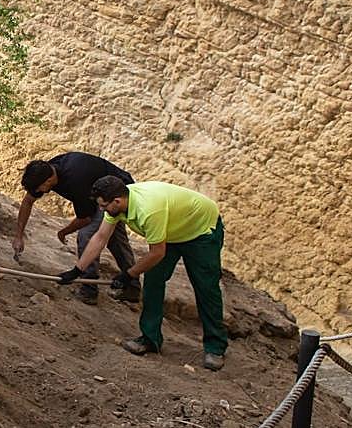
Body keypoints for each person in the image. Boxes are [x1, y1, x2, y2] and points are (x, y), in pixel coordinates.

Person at [58, 175, 228, 371]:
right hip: (170, 231)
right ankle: (150, 339)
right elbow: (100, 238)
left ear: (117, 201)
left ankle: (215, 347)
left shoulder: (148, 210)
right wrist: (77, 270)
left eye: (104, 206)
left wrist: (128, 274)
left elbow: (157, 253)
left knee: (206, 287)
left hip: (200, 230)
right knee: (153, 282)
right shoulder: (117, 205)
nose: (103, 210)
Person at [15, 153, 140, 305]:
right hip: (98, 192)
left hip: (119, 192)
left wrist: (64, 231)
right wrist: (18, 235)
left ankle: (90, 289)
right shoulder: (45, 171)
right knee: (114, 237)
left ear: (48, 180)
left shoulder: (76, 180)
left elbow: (85, 219)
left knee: (87, 235)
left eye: (41, 188)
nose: (40, 191)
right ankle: (133, 286)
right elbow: (28, 201)